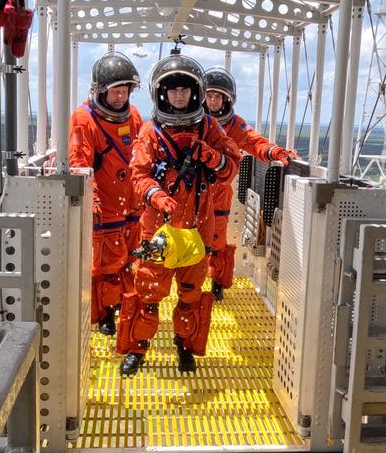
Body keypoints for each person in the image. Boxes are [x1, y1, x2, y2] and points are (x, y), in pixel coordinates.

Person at [117, 53, 241, 377]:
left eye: (185, 88)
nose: (179, 95)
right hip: (157, 230)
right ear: (162, 93)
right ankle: (137, 350)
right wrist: (156, 195)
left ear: (195, 92)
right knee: (147, 294)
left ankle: (183, 348)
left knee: (190, 297)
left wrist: (211, 157)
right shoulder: (150, 132)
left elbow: (231, 167)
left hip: (197, 231)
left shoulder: (209, 128)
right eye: (173, 89)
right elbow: (138, 174)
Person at [200, 66, 296, 301]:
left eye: (218, 96)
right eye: (209, 96)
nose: (213, 101)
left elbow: (254, 142)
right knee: (187, 240)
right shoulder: (194, 121)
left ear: (227, 99)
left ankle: (217, 283)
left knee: (218, 240)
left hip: (220, 192)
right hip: (191, 193)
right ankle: (188, 288)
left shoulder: (234, 125)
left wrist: (275, 152)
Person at [69, 51, 143, 337]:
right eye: (115, 91)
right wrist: (94, 200)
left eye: (125, 91)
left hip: (132, 203)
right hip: (106, 206)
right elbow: (80, 163)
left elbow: (141, 151)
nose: (120, 97)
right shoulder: (83, 119)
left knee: (129, 260)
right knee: (105, 267)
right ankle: (105, 315)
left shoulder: (134, 115)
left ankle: (126, 308)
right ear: (101, 89)